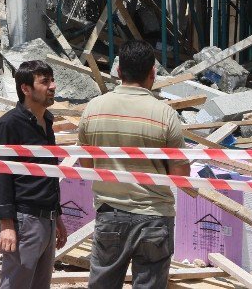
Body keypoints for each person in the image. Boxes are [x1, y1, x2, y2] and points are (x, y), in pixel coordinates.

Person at [79, 39, 189, 289]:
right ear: (153, 72)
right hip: (154, 217)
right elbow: (180, 173)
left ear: (118, 72)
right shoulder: (164, 114)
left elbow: (87, 165)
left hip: (110, 214)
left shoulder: (93, 109)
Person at [0, 60, 68, 289]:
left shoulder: (47, 121)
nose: (52, 86)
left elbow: (47, 174)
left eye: (52, 80)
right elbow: (1, 177)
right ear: (26, 88)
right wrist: (6, 224)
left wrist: (57, 216)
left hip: (47, 219)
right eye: (44, 82)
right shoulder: (9, 125)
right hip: (25, 221)